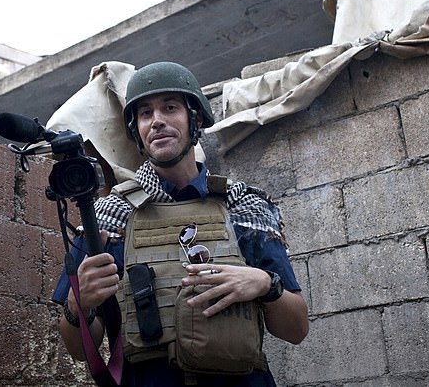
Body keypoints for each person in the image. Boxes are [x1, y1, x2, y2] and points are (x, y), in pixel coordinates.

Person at [52, 61, 309, 386]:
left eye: (170, 108)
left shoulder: (243, 206)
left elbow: (296, 329)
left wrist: (264, 284)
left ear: (196, 119)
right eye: (145, 113)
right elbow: (77, 348)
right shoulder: (107, 217)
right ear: (135, 130)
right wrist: (78, 307)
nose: (156, 121)